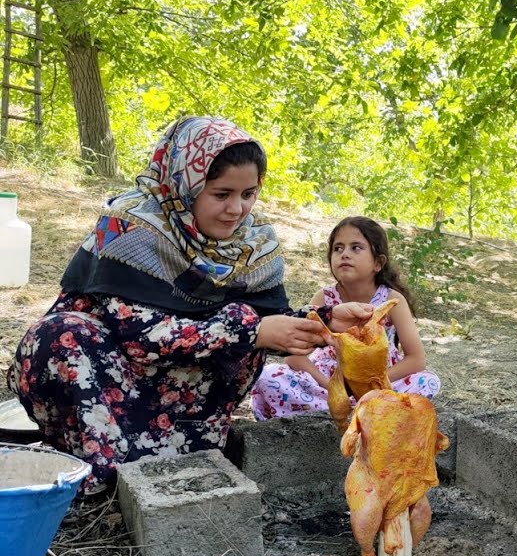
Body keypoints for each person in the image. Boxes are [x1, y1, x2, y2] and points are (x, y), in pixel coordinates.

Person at [5, 116, 372, 493]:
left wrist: (326, 320)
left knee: (244, 322)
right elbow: (140, 337)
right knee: (62, 335)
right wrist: (250, 330)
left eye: (248, 194)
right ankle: (99, 467)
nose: (237, 209)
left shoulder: (254, 243)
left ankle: (178, 449)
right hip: (105, 375)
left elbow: (268, 320)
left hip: (180, 386)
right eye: (221, 194)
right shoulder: (130, 227)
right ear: (185, 184)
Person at [250, 216, 441, 419]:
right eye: (338, 248)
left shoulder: (392, 300)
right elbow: (294, 356)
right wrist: (332, 387)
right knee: (267, 377)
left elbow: (416, 359)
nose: (345, 254)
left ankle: (366, 408)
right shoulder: (324, 298)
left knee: (427, 382)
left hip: (380, 382)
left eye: (356, 248)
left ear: (378, 263)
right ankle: (341, 410)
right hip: (327, 382)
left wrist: (374, 384)